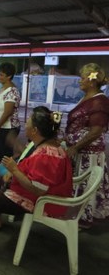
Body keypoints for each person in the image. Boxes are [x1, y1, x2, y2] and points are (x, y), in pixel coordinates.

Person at [0, 106, 72, 254]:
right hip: (41, 194)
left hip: (41, 201)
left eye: (28, 123)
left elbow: (38, 189)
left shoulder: (46, 155)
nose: (25, 125)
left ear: (35, 130)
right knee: (2, 181)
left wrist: (14, 170)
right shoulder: (48, 146)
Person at [65, 63, 109, 229]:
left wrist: (75, 146)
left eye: (82, 78)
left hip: (88, 155)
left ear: (91, 81)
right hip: (79, 152)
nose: (79, 82)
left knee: (86, 185)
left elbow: (96, 131)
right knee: (78, 185)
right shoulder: (88, 99)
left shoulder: (99, 101)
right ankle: (76, 213)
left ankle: (83, 217)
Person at [0, 62, 21, 191]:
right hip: (3, 127)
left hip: (8, 128)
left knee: (6, 156)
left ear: (9, 76)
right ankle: (1, 176)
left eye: (1, 75)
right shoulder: (3, 89)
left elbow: (8, 112)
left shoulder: (12, 91)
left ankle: (6, 182)